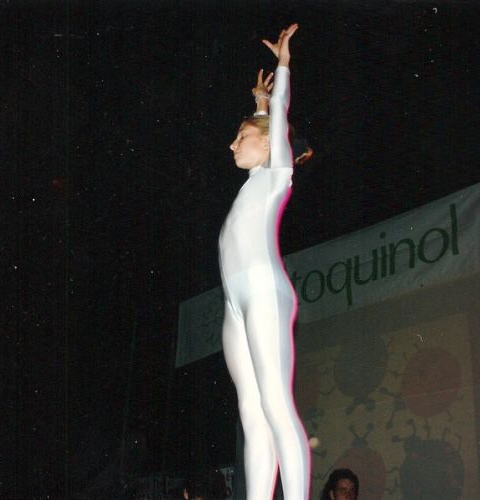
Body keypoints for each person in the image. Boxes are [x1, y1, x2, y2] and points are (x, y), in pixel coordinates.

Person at [218, 24, 310, 500]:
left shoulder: (277, 173)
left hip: (263, 293)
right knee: (251, 416)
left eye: (241, 137)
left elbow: (278, 120)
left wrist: (283, 66)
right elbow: (263, 123)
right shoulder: (253, 182)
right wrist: (256, 102)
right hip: (234, 304)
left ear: (269, 144)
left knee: (276, 405)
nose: (233, 145)